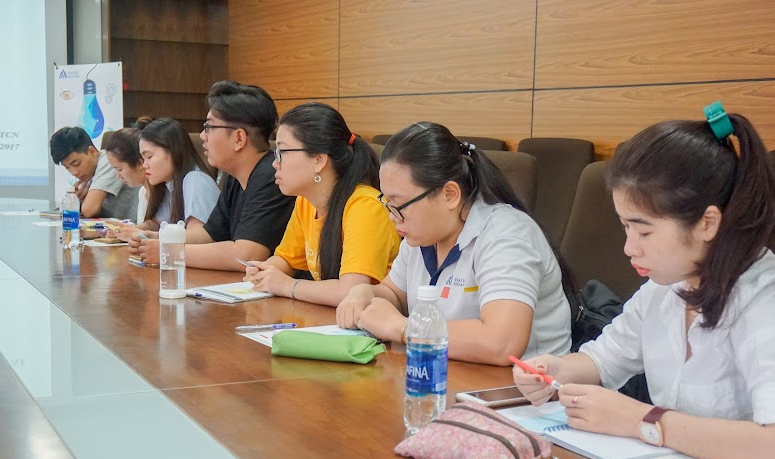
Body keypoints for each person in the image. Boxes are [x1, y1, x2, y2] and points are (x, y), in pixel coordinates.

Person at [513, 106, 775, 459]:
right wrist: (555, 370)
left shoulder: (765, 301)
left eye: (644, 231)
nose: (629, 248)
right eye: (626, 227)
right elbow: (604, 361)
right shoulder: (666, 287)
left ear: (707, 223)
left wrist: (642, 420)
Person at [336, 122, 571, 365]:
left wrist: (402, 328)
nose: (392, 216)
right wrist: (365, 292)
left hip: (522, 384)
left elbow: (502, 343)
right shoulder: (421, 234)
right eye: (388, 203)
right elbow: (396, 293)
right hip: (451, 371)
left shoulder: (506, 236)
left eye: (399, 205)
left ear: (450, 195)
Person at [244, 103, 400, 307]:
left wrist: (287, 286)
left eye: (282, 152)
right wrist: (265, 271)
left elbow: (350, 291)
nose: (275, 163)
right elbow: (287, 260)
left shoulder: (366, 206)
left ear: (319, 160)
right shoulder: (306, 202)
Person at [133, 81, 294, 269]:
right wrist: (161, 238)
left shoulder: (271, 176)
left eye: (209, 127)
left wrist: (170, 252)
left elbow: (247, 255)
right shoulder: (235, 178)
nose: (203, 135)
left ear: (239, 138)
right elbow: (210, 234)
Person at [49, 126, 139, 220]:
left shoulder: (109, 161)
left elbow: (89, 210)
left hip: (132, 226)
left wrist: (78, 204)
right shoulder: (88, 174)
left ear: (92, 152)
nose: (74, 172)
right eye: (67, 167)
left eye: (76, 164)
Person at [103, 118, 152, 233]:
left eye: (119, 169)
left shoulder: (165, 193)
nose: (118, 176)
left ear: (140, 163)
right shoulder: (143, 192)